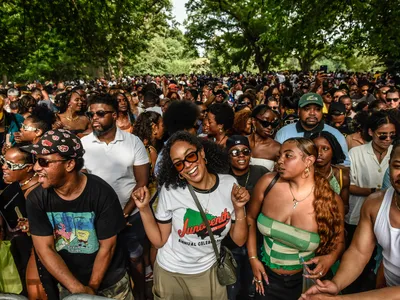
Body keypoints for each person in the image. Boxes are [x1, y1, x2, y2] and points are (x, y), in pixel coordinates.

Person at [132, 131, 250, 300]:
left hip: (208, 272)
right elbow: (159, 241)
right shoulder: (171, 190)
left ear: (201, 153)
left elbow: (239, 240)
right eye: (179, 164)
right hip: (171, 273)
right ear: (177, 171)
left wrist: (239, 209)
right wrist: (143, 209)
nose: (187, 165)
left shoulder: (228, 184)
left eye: (191, 156)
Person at [22, 129, 132, 299]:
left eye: (44, 162)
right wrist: (77, 289)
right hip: (68, 282)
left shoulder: (101, 193)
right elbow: (44, 248)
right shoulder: (36, 199)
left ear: (69, 164)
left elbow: (107, 247)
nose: (36, 167)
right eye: (36, 160)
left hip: (110, 283)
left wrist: (91, 290)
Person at [300, 140, 400, 300]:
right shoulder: (375, 203)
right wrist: (336, 284)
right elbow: (359, 253)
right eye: (398, 166)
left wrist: (342, 299)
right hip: (385, 286)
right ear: (389, 166)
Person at [247, 137, 345, 300]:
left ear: (309, 161)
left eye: (288, 155)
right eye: (279, 156)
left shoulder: (330, 201)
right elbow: (249, 218)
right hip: (266, 276)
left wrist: (330, 258)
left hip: (306, 281)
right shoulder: (267, 183)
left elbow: (339, 241)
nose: (280, 161)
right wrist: (253, 259)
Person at [80, 93, 149, 299]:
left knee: (135, 259)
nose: (94, 118)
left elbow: (142, 181)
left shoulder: (132, 141)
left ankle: (142, 294)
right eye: (91, 114)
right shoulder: (83, 145)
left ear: (114, 114)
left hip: (130, 215)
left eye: (100, 113)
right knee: (103, 263)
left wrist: (124, 214)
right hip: (94, 220)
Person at [225, 135, 269, 300]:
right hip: (230, 241)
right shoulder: (222, 176)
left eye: (245, 151)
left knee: (253, 286)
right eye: (235, 152)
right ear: (228, 156)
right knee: (231, 287)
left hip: (256, 239)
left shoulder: (261, 173)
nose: (241, 155)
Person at [275, 93, 350, 166]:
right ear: (298, 111)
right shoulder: (284, 132)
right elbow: (277, 161)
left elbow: (344, 164)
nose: (312, 113)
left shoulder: (335, 134)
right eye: (307, 109)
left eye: (317, 109)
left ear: (322, 112)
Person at [310, 131, 350, 212]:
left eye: (325, 148)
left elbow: (345, 207)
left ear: (333, 151)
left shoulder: (342, 177)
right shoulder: (303, 174)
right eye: (315, 149)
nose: (319, 153)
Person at [248, 105, 281, 171]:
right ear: (253, 121)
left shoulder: (277, 148)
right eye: (265, 123)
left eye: (272, 124)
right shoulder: (242, 142)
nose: (269, 127)